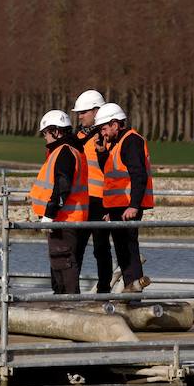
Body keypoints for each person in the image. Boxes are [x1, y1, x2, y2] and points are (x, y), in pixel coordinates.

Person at [95, 102, 153, 293]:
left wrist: (134, 205)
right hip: (118, 208)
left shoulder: (130, 141)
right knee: (123, 254)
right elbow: (112, 175)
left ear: (115, 124)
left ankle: (134, 297)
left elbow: (139, 175)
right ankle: (131, 295)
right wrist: (102, 153)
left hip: (127, 208)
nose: (103, 133)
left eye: (104, 128)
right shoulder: (118, 143)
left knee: (129, 253)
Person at [30, 110, 89, 294]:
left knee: (64, 264)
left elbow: (63, 185)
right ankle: (64, 302)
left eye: (45, 133)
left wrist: (49, 214)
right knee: (61, 263)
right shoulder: (70, 149)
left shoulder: (64, 152)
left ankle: (68, 305)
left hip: (65, 219)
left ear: (55, 131)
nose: (45, 138)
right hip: (68, 218)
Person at [71, 89, 115, 292]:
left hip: (100, 202)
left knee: (101, 249)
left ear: (97, 111)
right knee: (76, 248)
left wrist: (110, 206)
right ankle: (72, 292)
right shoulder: (77, 136)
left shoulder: (106, 137)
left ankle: (104, 291)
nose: (79, 116)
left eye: (83, 112)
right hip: (81, 201)